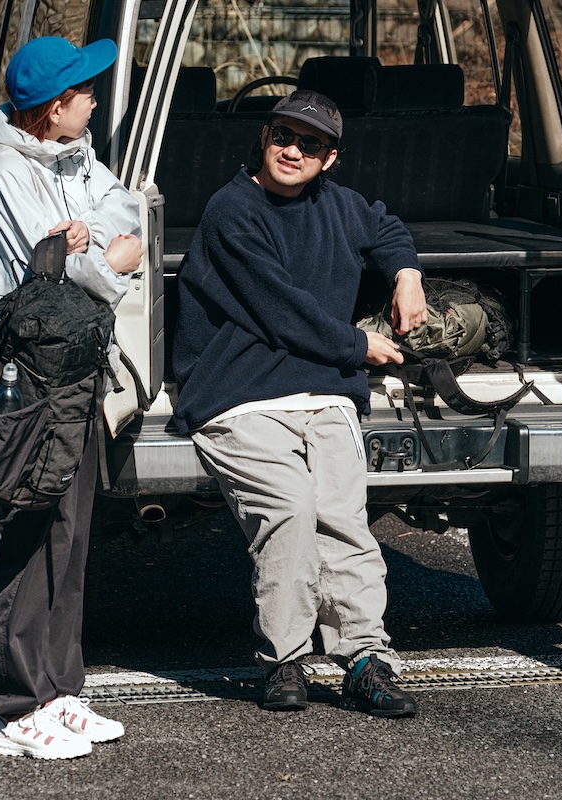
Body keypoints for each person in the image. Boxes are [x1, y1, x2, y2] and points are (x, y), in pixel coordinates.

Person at [172, 90, 428, 717]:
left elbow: (385, 225)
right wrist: (358, 346)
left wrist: (407, 273)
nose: (293, 151)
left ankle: (365, 660)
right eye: (282, 136)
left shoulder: (338, 204)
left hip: (323, 393)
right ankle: (284, 659)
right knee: (289, 511)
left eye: (309, 144)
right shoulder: (232, 210)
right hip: (239, 396)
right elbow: (280, 307)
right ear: (264, 139)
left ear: (329, 158)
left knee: (342, 519)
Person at [0, 36, 144, 759]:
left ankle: (59, 690)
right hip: (27, 376)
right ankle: (16, 708)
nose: (95, 102)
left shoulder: (75, 156)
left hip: (74, 368)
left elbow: (124, 209)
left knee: (71, 534)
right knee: (26, 530)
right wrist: (108, 263)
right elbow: (48, 277)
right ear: (52, 108)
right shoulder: (5, 171)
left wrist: (90, 240)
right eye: (85, 93)